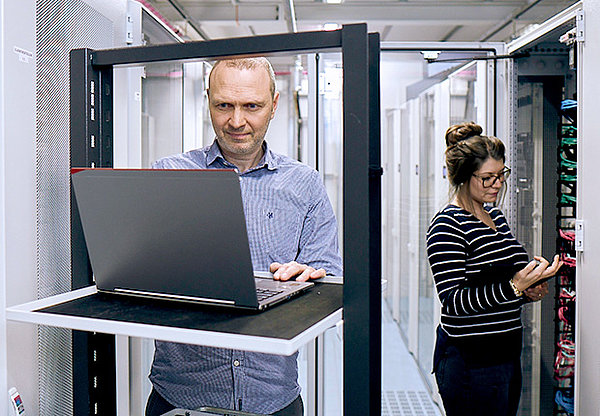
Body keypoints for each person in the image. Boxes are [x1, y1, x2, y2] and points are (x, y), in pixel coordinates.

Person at [145, 57, 342, 416]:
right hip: (181, 398)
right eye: (224, 105)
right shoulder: (168, 174)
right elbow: (139, 275)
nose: (237, 121)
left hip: (273, 396)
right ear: (208, 101)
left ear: (274, 104)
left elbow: (329, 275)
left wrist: (310, 278)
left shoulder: (304, 183)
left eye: (252, 106)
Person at [426, 122, 562, 416]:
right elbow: (454, 301)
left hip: (506, 356)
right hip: (471, 364)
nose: (497, 185)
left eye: (501, 175)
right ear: (463, 177)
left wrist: (528, 291)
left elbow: (499, 282)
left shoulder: (495, 217)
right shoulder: (448, 225)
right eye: (487, 178)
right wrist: (514, 286)